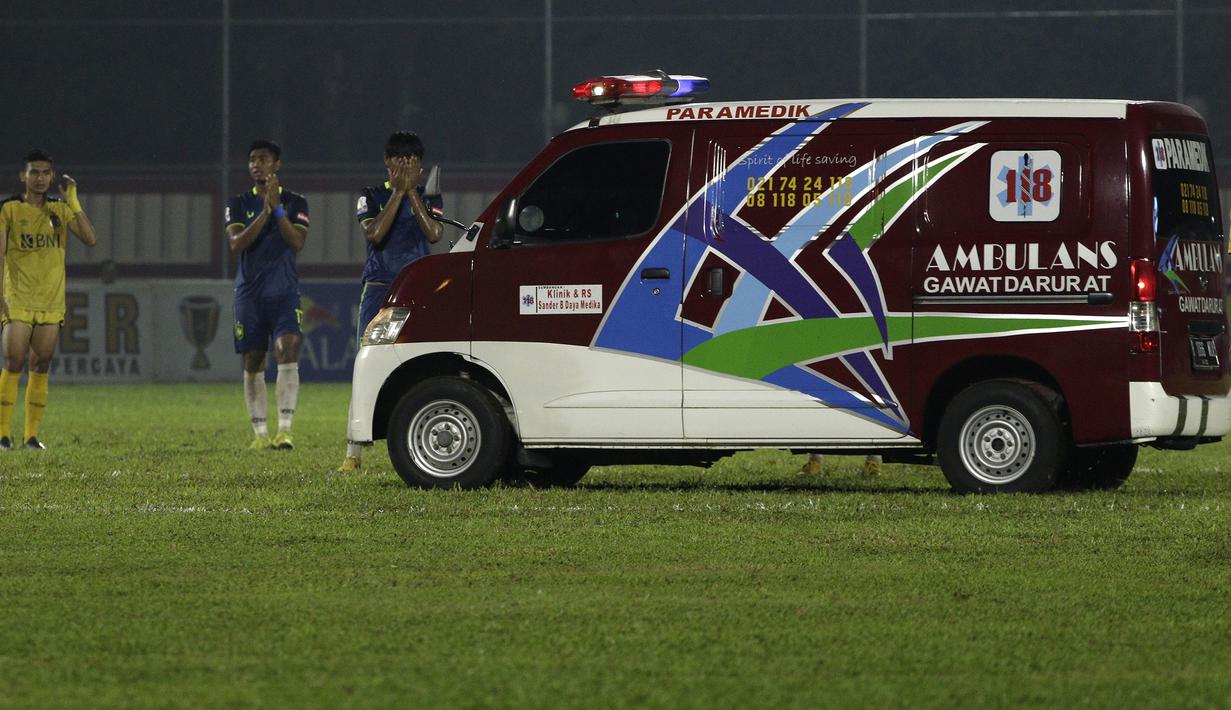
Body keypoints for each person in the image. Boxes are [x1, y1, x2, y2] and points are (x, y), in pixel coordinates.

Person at [338, 131, 443, 472]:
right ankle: (353, 453)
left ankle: (423, 445)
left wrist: (412, 192)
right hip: (380, 287)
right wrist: (399, 192)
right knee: (367, 363)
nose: (406, 164)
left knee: (424, 364)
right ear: (387, 161)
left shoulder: (428, 194)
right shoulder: (369, 195)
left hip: (418, 288)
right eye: (400, 158)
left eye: (412, 160)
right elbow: (374, 234)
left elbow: (435, 233)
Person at [0, 149, 98, 450]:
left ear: (51, 176)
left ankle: (31, 437)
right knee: (14, 361)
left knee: (41, 364)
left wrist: (74, 201)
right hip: (17, 298)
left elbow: (90, 239)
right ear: (23, 176)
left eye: (45, 173)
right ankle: (2, 435)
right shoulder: (9, 209)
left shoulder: (60, 209)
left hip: (51, 302)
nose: (40, 178)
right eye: (34, 172)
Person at [225, 139, 309, 450]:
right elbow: (237, 244)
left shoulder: (297, 202)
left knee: (287, 349)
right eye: (252, 160)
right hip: (249, 294)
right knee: (253, 358)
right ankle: (260, 434)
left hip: (284, 292)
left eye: (263, 159)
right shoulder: (237, 203)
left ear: (277, 164)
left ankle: (285, 431)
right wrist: (266, 212)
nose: (256, 165)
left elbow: (297, 242)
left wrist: (279, 211)